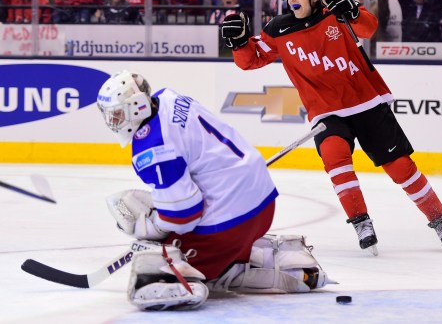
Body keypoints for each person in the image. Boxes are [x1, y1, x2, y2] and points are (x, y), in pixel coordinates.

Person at [220, 0, 442, 255]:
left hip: (367, 103)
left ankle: (439, 219)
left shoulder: (336, 13)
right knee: (336, 159)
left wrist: (353, 11)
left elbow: (369, 28)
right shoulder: (278, 29)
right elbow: (251, 60)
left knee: (400, 168)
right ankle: (361, 222)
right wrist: (238, 43)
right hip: (327, 112)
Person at [96, 70, 333, 311]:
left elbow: (183, 216)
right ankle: (254, 260)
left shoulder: (152, 147)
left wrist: (151, 226)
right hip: (262, 203)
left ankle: (211, 273)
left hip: (234, 222)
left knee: (155, 266)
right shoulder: (168, 98)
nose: (113, 122)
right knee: (178, 238)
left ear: (136, 106)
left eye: (117, 114)